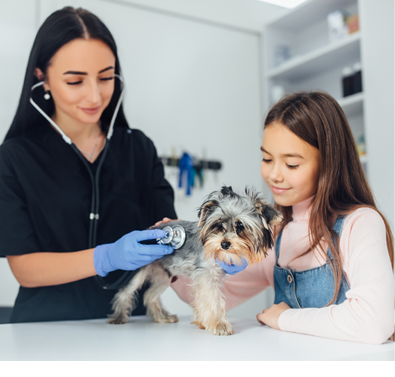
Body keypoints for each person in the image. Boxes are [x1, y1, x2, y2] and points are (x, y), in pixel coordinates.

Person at [171, 91, 395, 344]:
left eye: (291, 164)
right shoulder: (277, 234)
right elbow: (212, 291)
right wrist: (171, 256)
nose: (274, 175)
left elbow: (374, 323)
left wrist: (284, 318)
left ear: (328, 164)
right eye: (267, 158)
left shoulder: (360, 223)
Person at [0, 7, 178, 323]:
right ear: (42, 77)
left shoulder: (139, 148)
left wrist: (204, 249)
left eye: (106, 77)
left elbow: (167, 236)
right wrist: (106, 257)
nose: (94, 95)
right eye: (75, 81)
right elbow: (25, 269)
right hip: (47, 331)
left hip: (133, 329)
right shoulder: (15, 157)